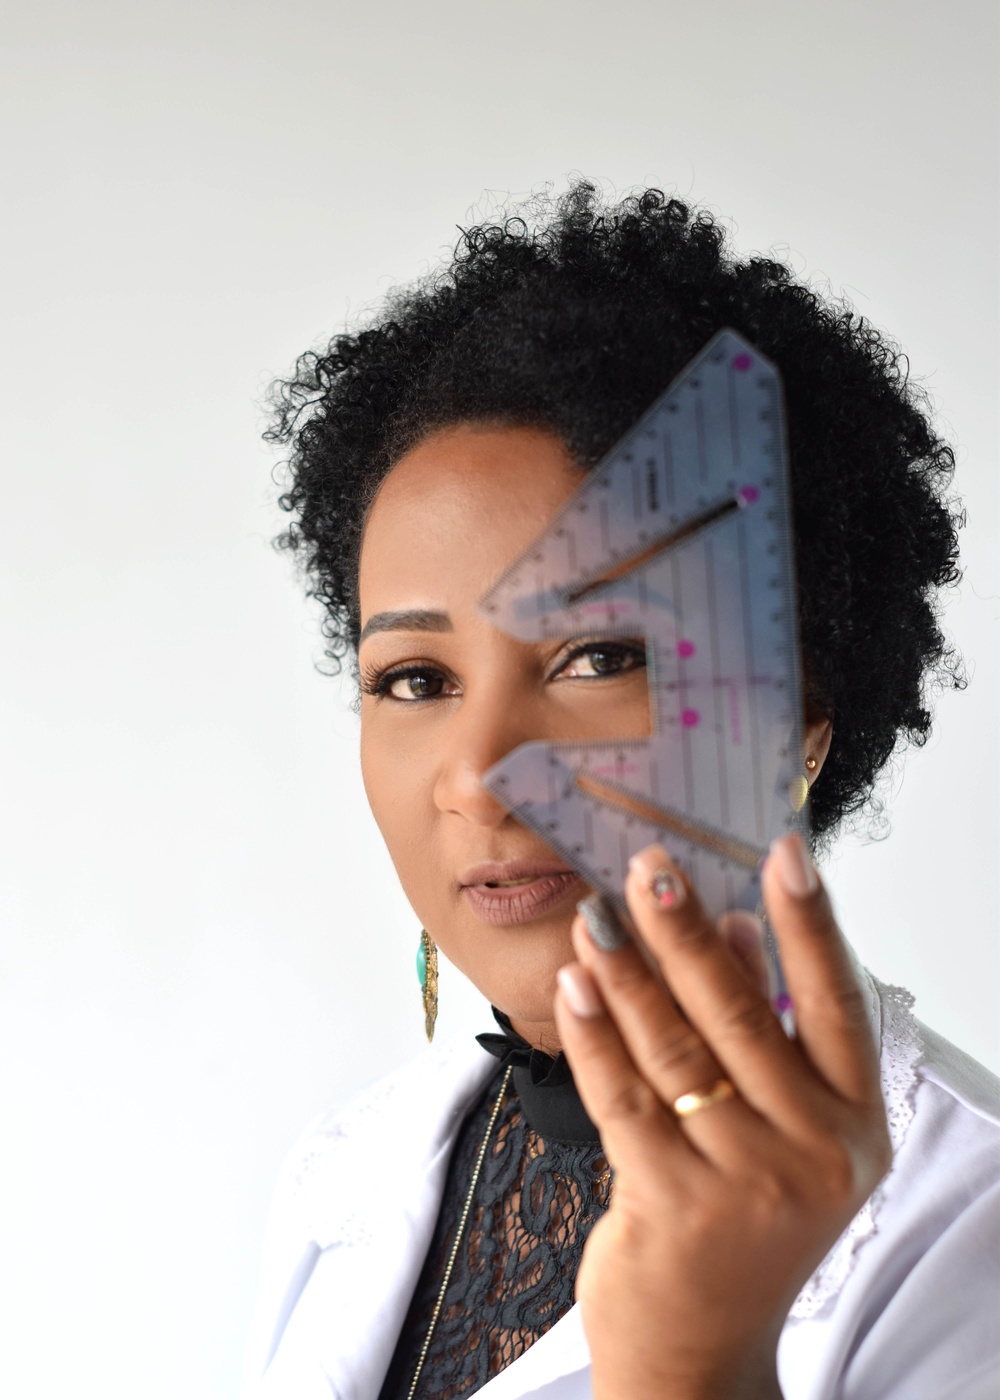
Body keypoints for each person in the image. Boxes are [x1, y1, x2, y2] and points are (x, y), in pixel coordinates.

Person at [242, 185, 999, 1399]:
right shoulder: (346, 1171)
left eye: (597, 657)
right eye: (415, 677)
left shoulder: (968, 1228)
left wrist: (696, 1363)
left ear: (797, 717)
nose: (479, 775)